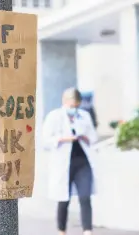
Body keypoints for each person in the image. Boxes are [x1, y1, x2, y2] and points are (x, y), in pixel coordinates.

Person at [42, 87, 98, 235]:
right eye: (71, 105)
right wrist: (63, 138)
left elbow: (94, 137)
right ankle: (61, 230)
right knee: (63, 199)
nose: (74, 108)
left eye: (76, 105)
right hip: (64, 163)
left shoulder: (84, 116)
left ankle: (87, 231)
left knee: (85, 197)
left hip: (82, 162)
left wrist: (85, 137)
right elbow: (45, 140)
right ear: (64, 101)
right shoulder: (54, 116)